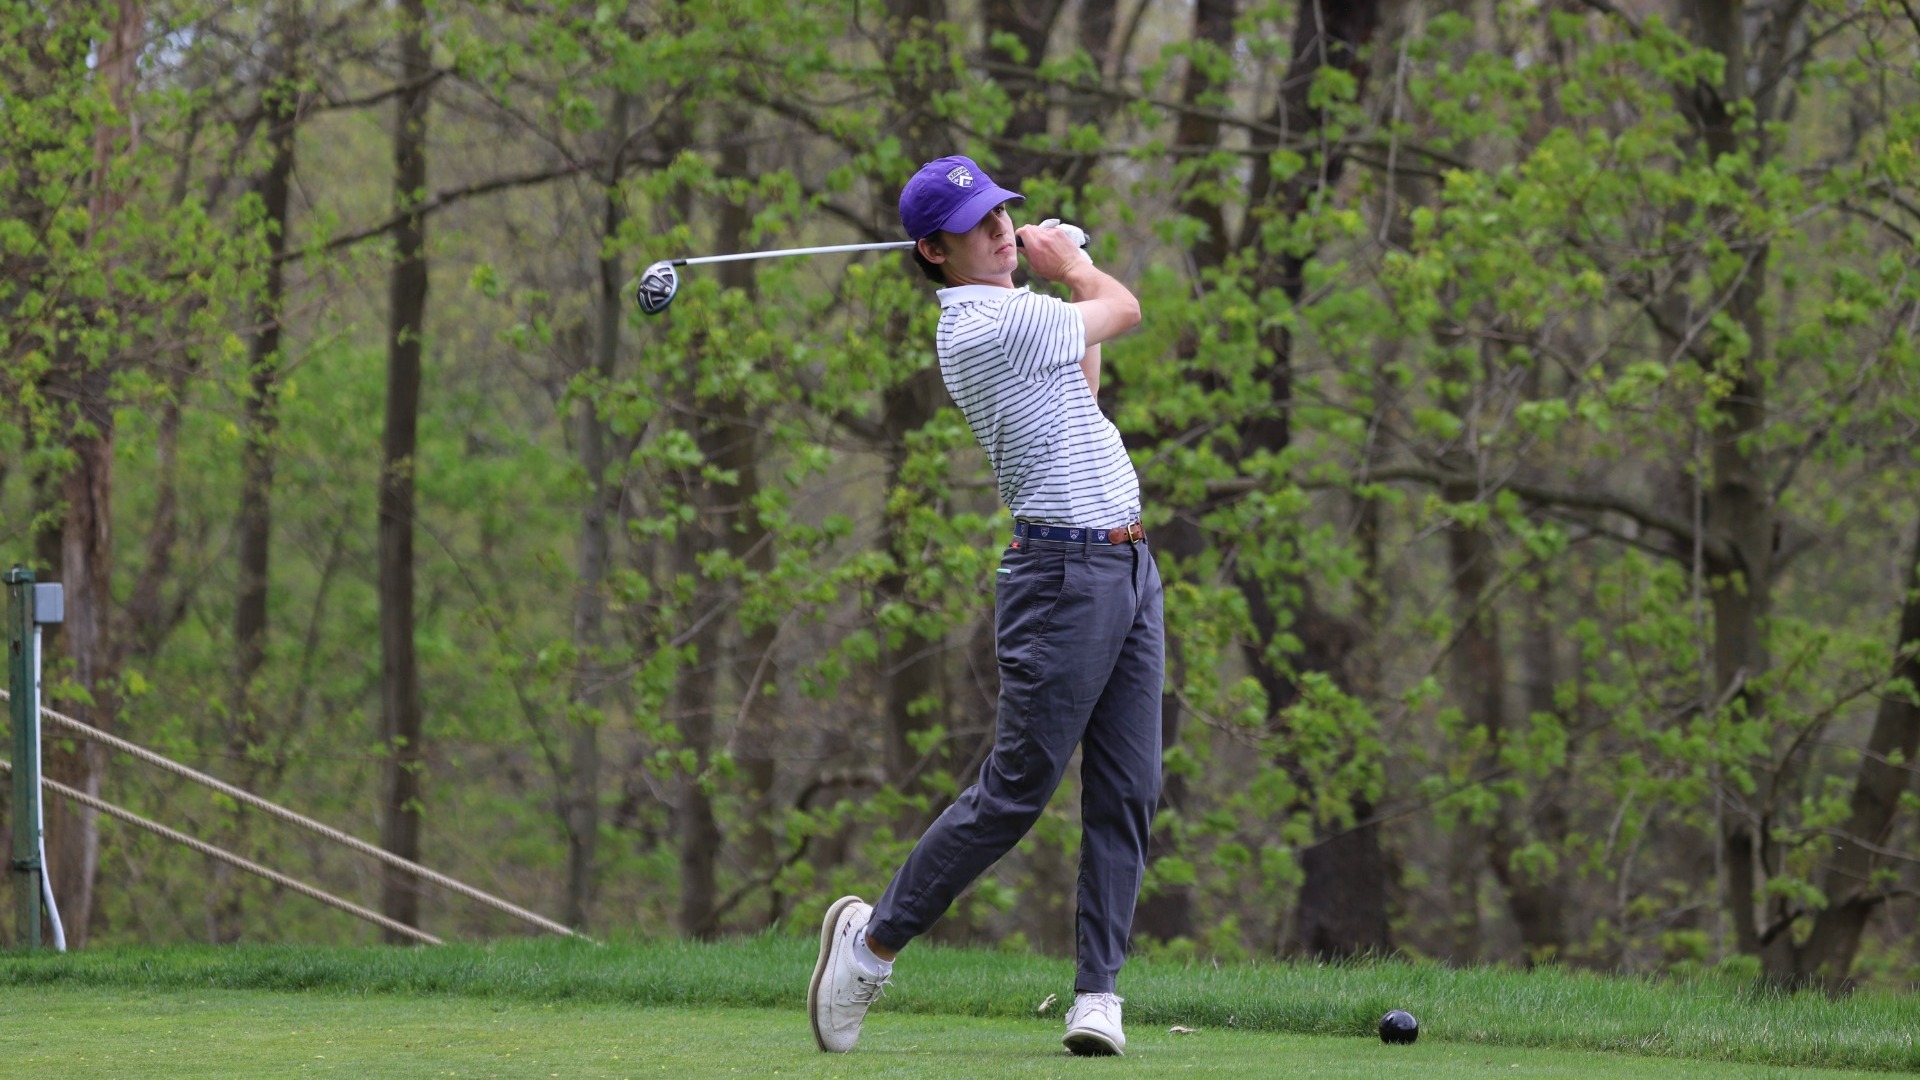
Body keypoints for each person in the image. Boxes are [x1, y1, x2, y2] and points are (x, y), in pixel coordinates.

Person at [807, 155, 1164, 1057]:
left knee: (1128, 789)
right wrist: (1073, 267)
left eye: (1004, 213)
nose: (1003, 228)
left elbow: (1083, 387)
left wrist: (1060, 282)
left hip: (1126, 565)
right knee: (1015, 795)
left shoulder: (1021, 319)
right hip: (1061, 580)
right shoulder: (979, 325)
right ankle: (870, 946)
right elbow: (1121, 310)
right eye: (980, 225)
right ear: (934, 251)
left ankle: (1098, 997)